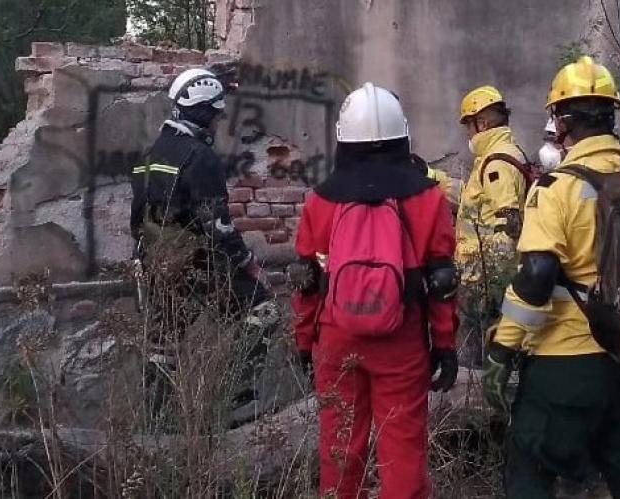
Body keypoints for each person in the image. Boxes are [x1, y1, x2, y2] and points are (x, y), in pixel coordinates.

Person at [482, 56, 620, 499]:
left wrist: (502, 350)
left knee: (530, 470)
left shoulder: (555, 189)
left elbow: (537, 276)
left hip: (565, 366)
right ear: (612, 117)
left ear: (560, 121)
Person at [291, 82, 459, 498]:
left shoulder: (320, 200)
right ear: (402, 134)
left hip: (336, 338)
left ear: (342, 137)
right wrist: (445, 345)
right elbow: (441, 283)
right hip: (401, 342)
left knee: (339, 448)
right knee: (402, 449)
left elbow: (307, 282)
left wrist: (303, 341)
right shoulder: (428, 197)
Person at [130, 68, 277, 419]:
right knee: (263, 311)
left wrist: (143, 259)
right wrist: (249, 265)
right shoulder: (200, 157)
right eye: (216, 113)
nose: (217, 121)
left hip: (157, 264)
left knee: (164, 343)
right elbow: (219, 226)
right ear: (204, 112)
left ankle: (157, 420)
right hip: (199, 264)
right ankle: (237, 402)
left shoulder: (151, 153)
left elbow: (137, 219)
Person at [455, 85, 528, 366]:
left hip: (482, 281)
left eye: (469, 126)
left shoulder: (496, 163)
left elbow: (507, 226)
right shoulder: (502, 155)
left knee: (476, 356)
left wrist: (488, 283)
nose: (468, 134)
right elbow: (476, 203)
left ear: (482, 123)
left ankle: (479, 403)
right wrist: (435, 177)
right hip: (484, 276)